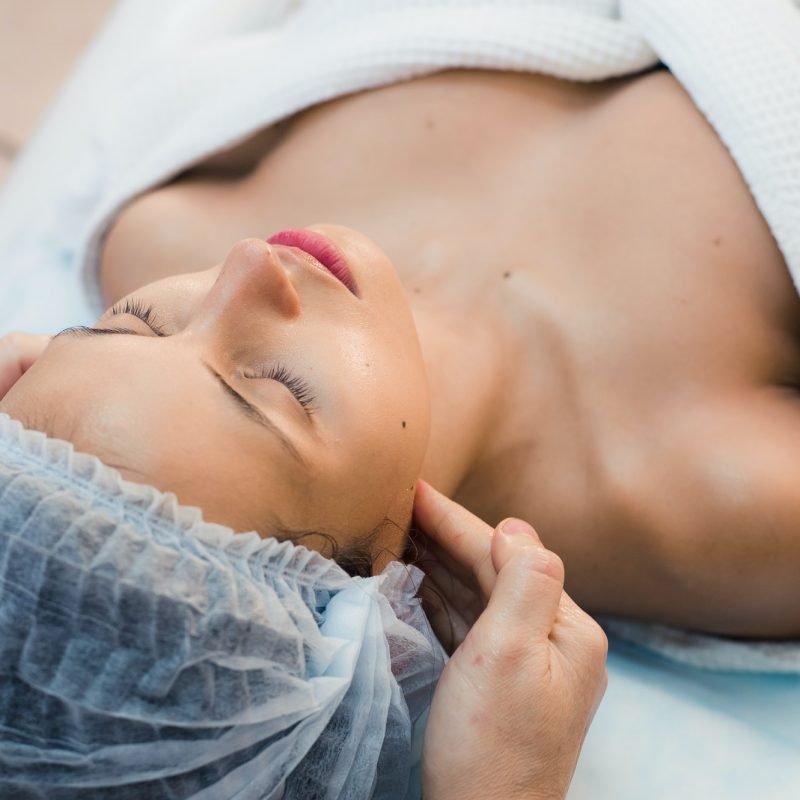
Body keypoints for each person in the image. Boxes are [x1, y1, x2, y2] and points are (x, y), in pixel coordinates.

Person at [3, 62, 800, 638]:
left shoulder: (159, 233)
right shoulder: (697, 496)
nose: (246, 267)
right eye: (275, 387)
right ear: (383, 583)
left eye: (133, 325)